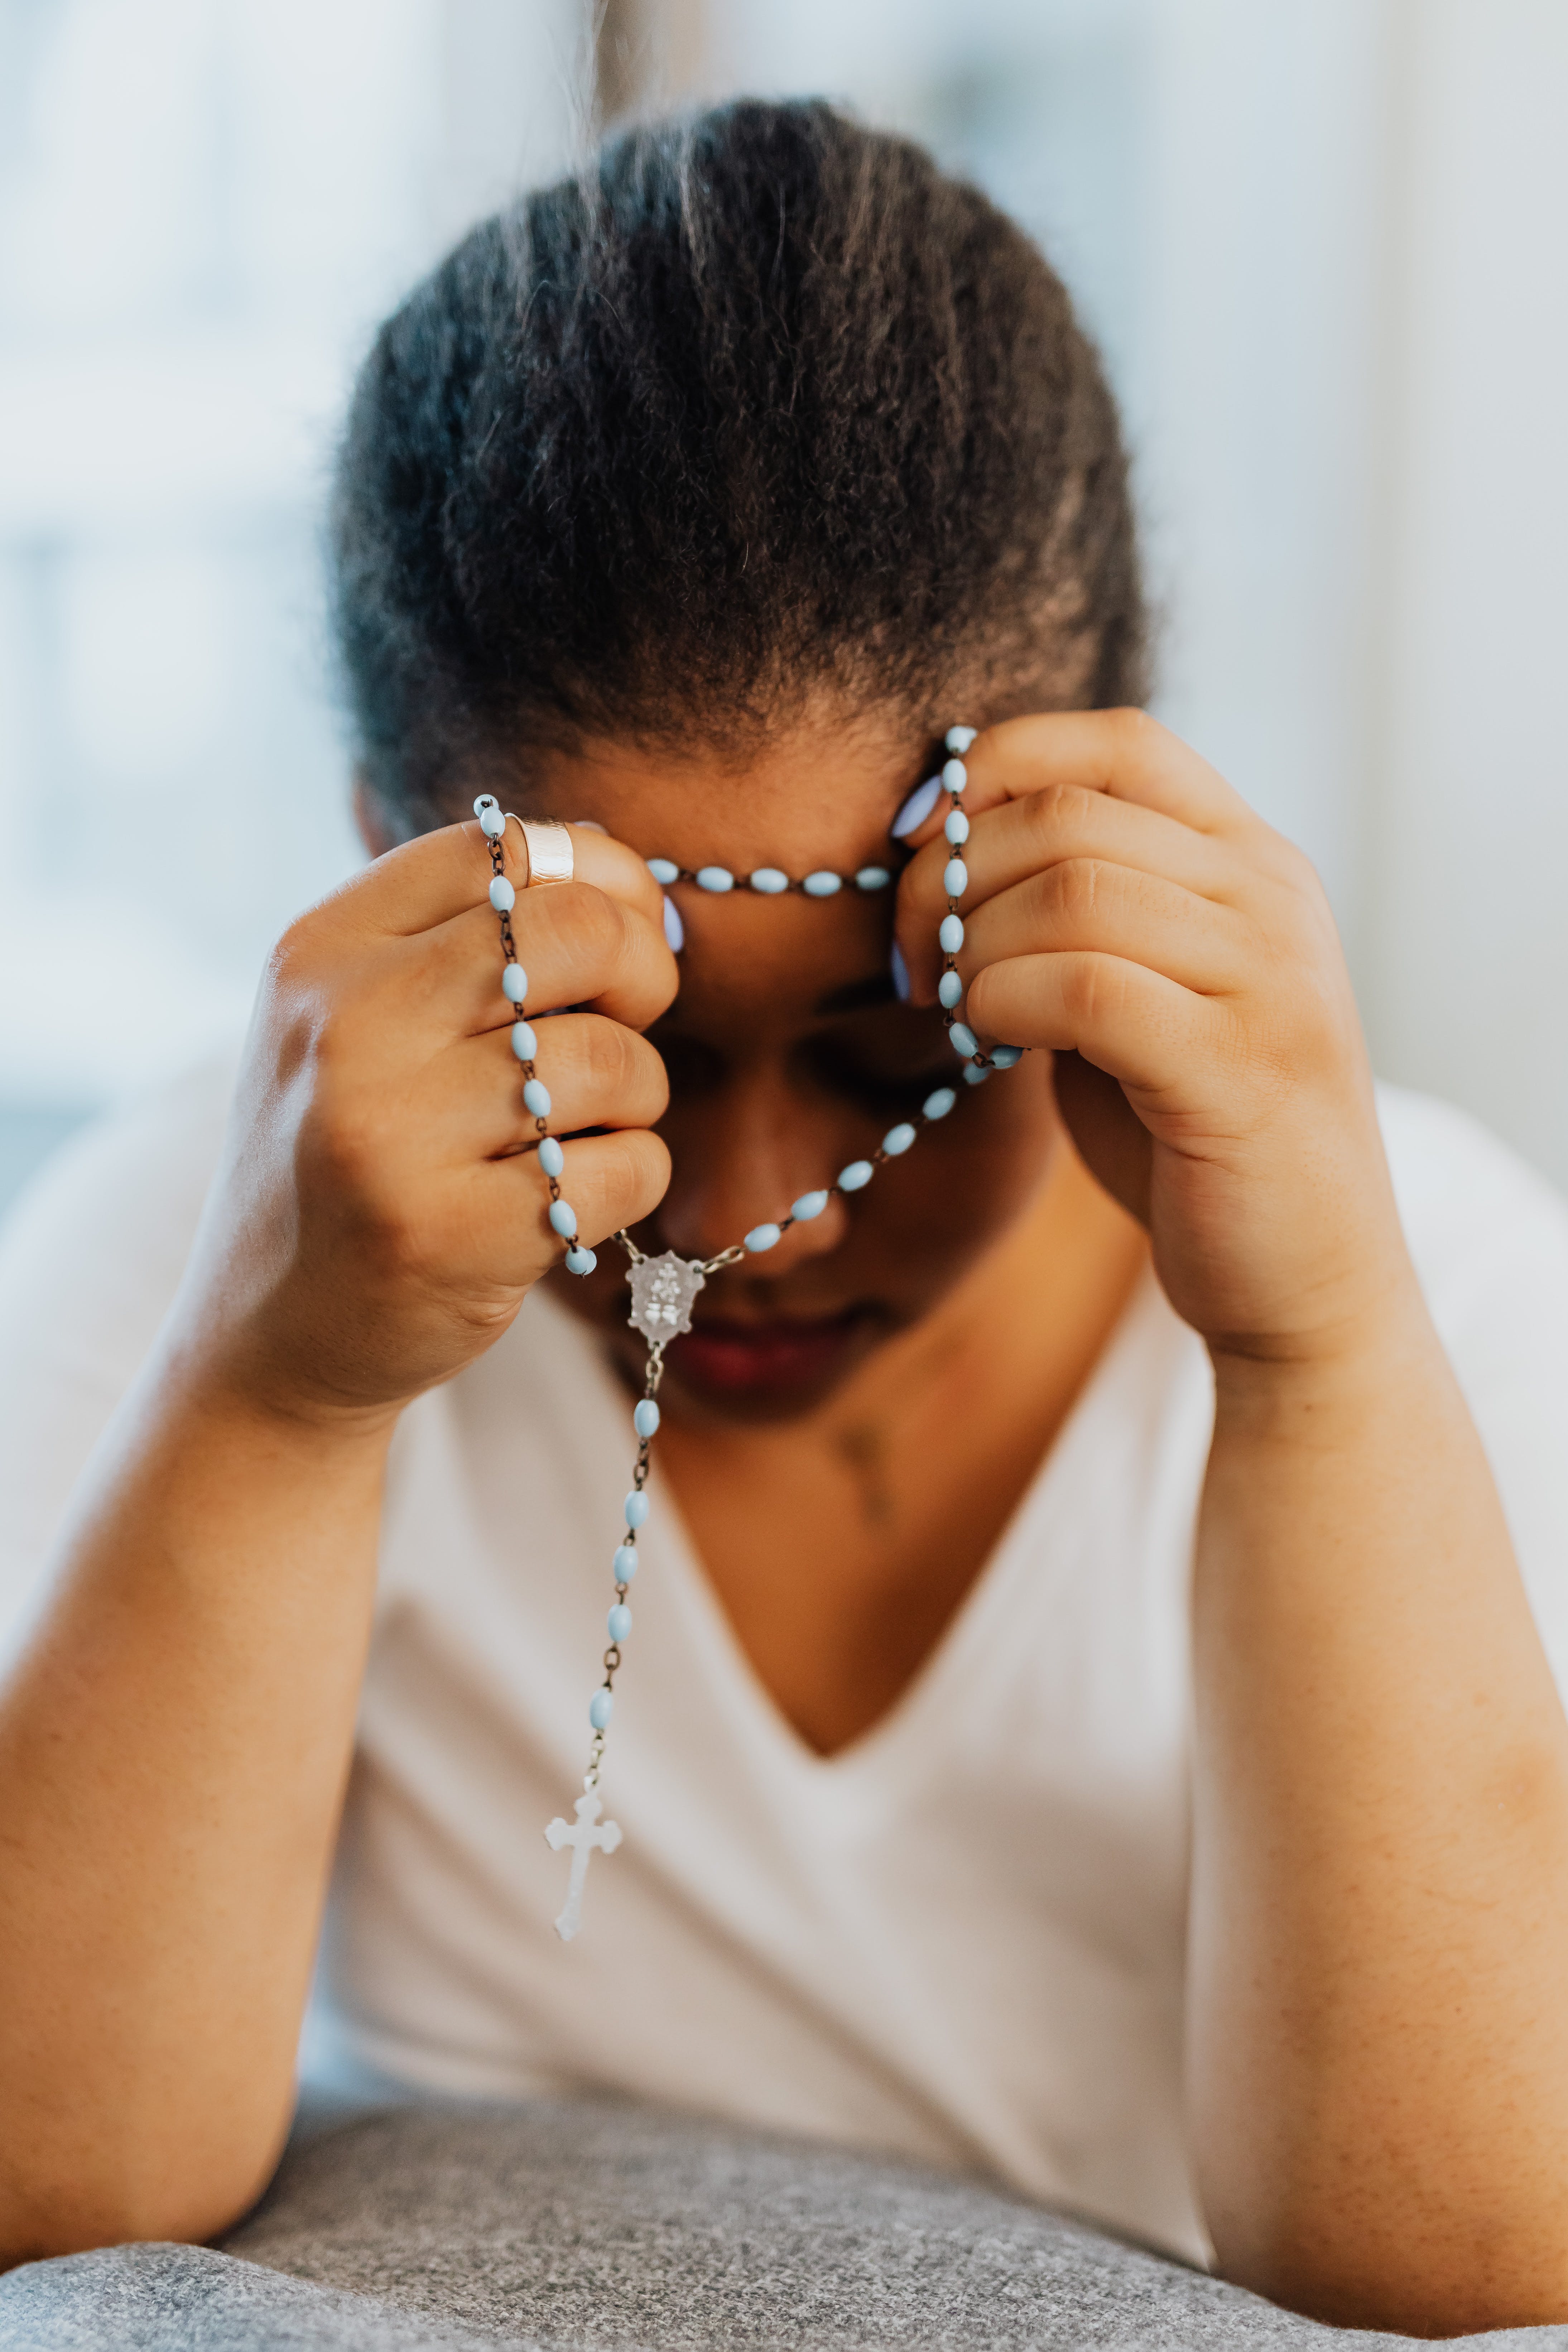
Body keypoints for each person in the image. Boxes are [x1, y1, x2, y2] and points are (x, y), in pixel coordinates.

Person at [1, 98, 1567, 2338]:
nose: (727, 1227)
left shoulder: (1441, 1305)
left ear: (1124, 829)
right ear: (381, 858)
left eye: (892, 1051)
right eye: (601, 1042)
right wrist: (282, 1391)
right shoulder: (221, 1252)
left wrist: (1316, 1369)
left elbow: (1472, 2267)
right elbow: (53, 2193)